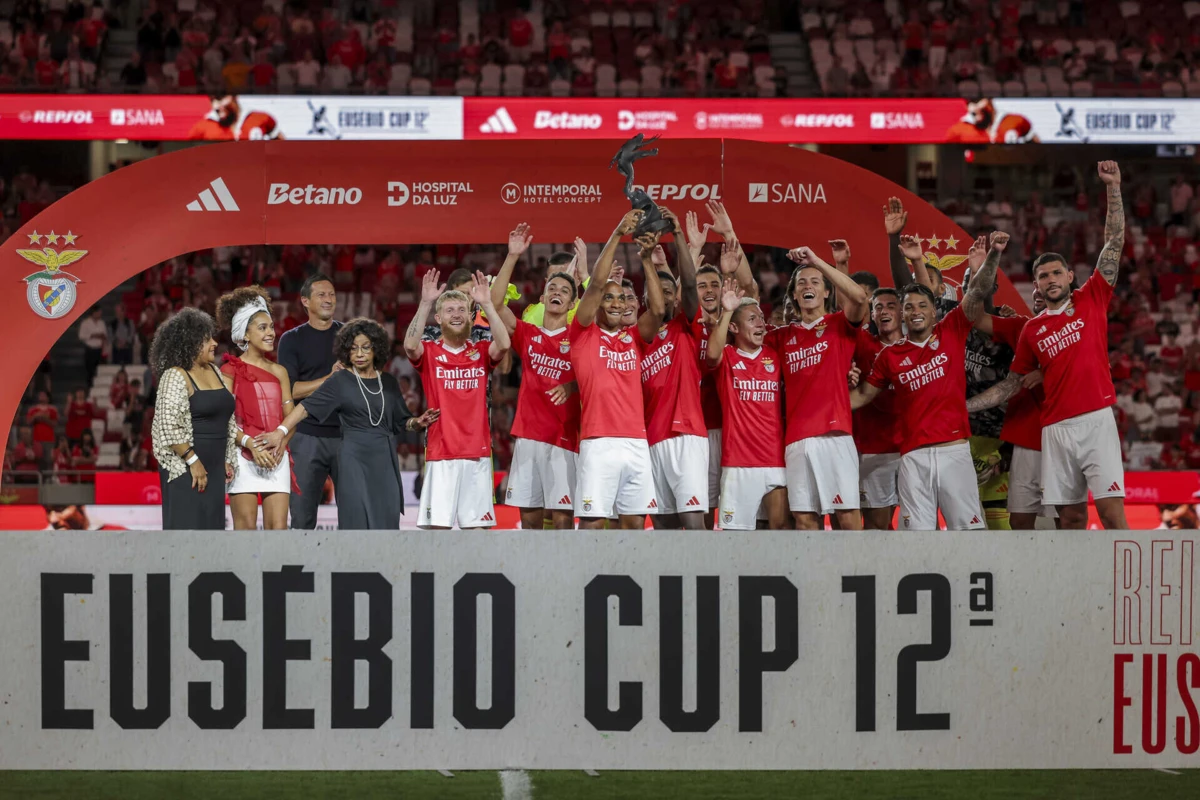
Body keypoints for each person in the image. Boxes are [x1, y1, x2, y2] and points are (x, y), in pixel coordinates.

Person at [970, 162, 1128, 531]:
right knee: (1070, 517)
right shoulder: (1031, 330)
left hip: (1094, 420)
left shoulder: (1091, 298)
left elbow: (1114, 243)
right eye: (1043, 276)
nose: (1050, 279)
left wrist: (1113, 188)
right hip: (1054, 430)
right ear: (1035, 286)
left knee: (1110, 513)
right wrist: (963, 406)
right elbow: (1011, 385)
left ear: (1070, 277)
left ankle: (1127, 584)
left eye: (1057, 272)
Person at [851, 232, 1009, 530]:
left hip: (955, 452)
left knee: (969, 532)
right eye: (908, 307)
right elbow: (862, 396)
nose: (915, 312)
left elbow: (977, 292)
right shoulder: (890, 356)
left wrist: (994, 255)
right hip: (914, 458)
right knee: (917, 536)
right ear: (901, 313)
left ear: (934, 311)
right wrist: (821, 407)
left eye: (922, 306)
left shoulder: (952, 329)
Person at [261, 318, 439, 530]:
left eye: (365, 347)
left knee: (386, 520)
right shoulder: (340, 380)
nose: (360, 354)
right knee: (356, 521)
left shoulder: (389, 382)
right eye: (353, 349)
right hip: (352, 459)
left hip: (384, 459)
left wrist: (418, 422)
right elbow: (305, 407)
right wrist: (280, 432)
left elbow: (402, 421)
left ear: (376, 349)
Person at [570, 209, 663, 529]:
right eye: (607, 298)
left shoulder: (634, 338)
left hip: (637, 443)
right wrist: (617, 232)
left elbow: (659, 310)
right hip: (599, 443)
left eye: (620, 298)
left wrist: (647, 260)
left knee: (635, 527)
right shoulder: (583, 335)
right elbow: (595, 283)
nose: (614, 302)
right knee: (594, 525)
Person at [770, 244, 869, 530]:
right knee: (804, 520)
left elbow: (860, 298)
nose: (808, 286)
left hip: (834, 436)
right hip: (796, 439)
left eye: (815, 282)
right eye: (801, 283)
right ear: (795, 295)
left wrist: (818, 262)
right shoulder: (782, 336)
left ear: (826, 292)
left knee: (848, 517)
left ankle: (854, 574)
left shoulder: (839, 325)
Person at [490, 223, 582, 531]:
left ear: (572, 304)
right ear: (542, 297)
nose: (557, 293)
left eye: (565, 291)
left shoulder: (581, 338)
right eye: (552, 289)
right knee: (529, 518)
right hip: (528, 437)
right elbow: (496, 303)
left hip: (564, 439)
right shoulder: (528, 333)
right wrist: (513, 256)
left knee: (562, 519)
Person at [405, 271, 509, 529]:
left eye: (462, 309)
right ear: (439, 318)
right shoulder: (429, 352)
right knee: (436, 533)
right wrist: (426, 302)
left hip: (478, 454)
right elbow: (409, 345)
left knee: (477, 533)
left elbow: (504, 344)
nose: (456, 314)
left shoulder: (482, 351)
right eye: (449, 310)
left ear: (471, 318)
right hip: (441, 453)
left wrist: (486, 304)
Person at [683, 202, 759, 526]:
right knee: (700, 509)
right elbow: (679, 291)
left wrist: (729, 234)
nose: (710, 290)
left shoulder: (733, 324)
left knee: (729, 515)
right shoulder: (687, 325)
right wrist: (693, 250)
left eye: (715, 284)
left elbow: (751, 288)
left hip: (731, 430)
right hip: (696, 431)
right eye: (702, 285)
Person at [638, 209, 708, 530]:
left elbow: (691, 284)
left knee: (694, 526)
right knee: (664, 529)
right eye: (657, 293)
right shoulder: (636, 343)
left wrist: (678, 235)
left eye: (669, 293)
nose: (663, 299)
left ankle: (707, 581)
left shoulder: (685, 327)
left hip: (686, 436)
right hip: (651, 441)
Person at [968, 289, 1056, 530]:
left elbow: (1092, 370)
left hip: (1063, 435)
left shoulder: (1079, 328)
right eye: (1037, 283)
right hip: (1027, 438)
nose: (1039, 290)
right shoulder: (1022, 327)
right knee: (1019, 521)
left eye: (1049, 280)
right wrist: (980, 270)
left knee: (1069, 518)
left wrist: (1046, 372)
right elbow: (974, 316)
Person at [704, 279, 788, 530]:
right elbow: (710, 355)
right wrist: (727, 309)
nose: (761, 323)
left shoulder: (775, 355)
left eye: (761, 318)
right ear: (735, 328)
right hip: (738, 463)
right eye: (752, 319)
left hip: (775, 460)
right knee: (736, 539)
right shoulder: (728, 356)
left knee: (781, 531)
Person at [149, 308, 238, 531]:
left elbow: (228, 420)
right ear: (190, 342)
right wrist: (193, 461)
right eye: (207, 339)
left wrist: (227, 458)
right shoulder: (175, 375)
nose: (215, 343)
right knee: (186, 531)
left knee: (212, 533)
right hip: (187, 471)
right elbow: (168, 427)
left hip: (215, 469)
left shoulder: (215, 371)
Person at [217, 286, 294, 530]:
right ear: (245, 334)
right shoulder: (229, 371)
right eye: (262, 328)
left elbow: (290, 419)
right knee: (245, 532)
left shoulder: (280, 371)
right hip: (242, 456)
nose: (271, 333)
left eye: (271, 327)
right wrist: (250, 443)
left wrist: (281, 441)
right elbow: (224, 421)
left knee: (278, 532)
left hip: (276, 457)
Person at [276, 274, 342, 530]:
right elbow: (289, 390)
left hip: (345, 435)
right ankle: (300, 569)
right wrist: (330, 378)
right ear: (305, 301)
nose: (329, 299)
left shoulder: (348, 335)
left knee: (353, 514)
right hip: (305, 437)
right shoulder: (291, 340)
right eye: (321, 295)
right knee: (302, 518)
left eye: (332, 294)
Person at [852, 288, 904, 529]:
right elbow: (848, 307)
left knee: (921, 526)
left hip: (912, 448)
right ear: (871, 316)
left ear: (903, 311)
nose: (884, 311)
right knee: (876, 527)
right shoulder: (863, 344)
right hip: (874, 448)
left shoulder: (919, 345)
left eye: (891, 305)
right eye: (878, 307)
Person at [78, 306, 108, 383]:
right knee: (90, 372)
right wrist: (93, 335)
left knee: (99, 371)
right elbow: (81, 336)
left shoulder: (102, 323)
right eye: (98, 312)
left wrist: (101, 336)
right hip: (90, 349)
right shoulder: (85, 323)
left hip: (99, 349)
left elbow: (105, 335)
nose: (100, 314)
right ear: (94, 313)